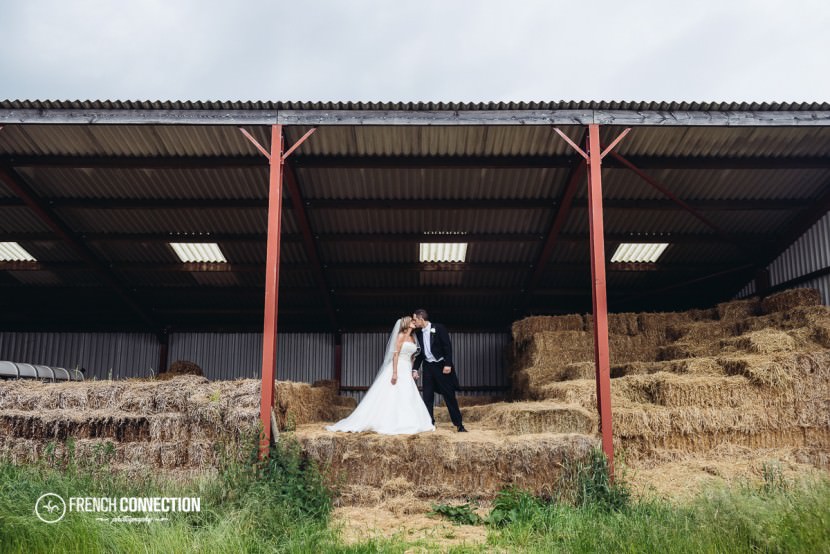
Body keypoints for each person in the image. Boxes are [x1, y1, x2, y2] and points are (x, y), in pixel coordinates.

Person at [325, 316, 435, 435]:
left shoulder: (413, 338)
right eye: (412, 321)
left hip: (407, 367)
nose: (414, 323)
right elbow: (396, 354)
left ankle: (410, 421)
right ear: (407, 324)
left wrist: (413, 370)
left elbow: (413, 356)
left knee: (408, 394)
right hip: (398, 367)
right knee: (393, 393)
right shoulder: (401, 336)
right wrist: (394, 372)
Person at [411, 309, 467, 432]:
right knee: (427, 396)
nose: (414, 322)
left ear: (421, 319)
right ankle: (430, 424)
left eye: (415, 319)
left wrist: (448, 364)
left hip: (441, 366)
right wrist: (415, 369)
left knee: (449, 395)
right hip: (428, 368)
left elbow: (447, 346)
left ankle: (459, 424)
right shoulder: (418, 334)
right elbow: (420, 354)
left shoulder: (439, 328)